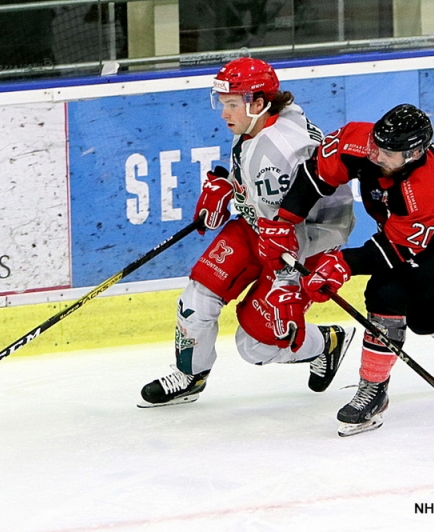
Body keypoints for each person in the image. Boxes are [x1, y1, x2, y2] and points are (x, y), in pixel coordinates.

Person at [263, 103, 434, 435]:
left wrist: (342, 264)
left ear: (415, 154)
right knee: (425, 318)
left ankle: (373, 392)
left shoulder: (425, 185)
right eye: (376, 145)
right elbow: (315, 174)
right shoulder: (358, 140)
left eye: (389, 152)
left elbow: (398, 249)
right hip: (403, 234)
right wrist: (284, 222)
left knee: (387, 293)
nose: (377, 155)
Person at [139, 57, 356, 407]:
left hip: (303, 249)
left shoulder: (280, 149)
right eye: (222, 103)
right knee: (197, 300)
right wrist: (231, 186)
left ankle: (326, 342)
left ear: (258, 102)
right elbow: (268, 199)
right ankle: (191, 376)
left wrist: (287, 284)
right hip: (261, 228)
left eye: (231, 104)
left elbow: (289, 219)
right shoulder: (266, 120)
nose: (224, 114)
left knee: (256, 346)